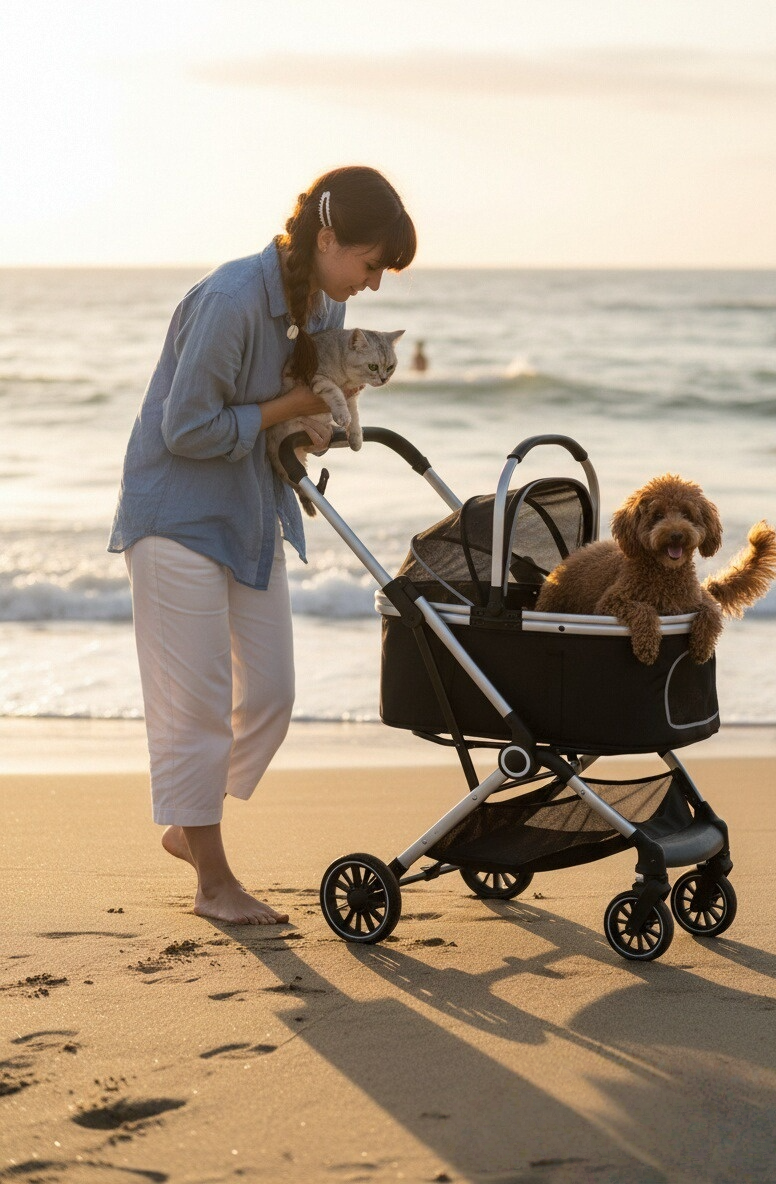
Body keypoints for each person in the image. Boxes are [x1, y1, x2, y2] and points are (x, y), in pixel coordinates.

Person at [109, 166, 416, 924]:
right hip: (176, 514)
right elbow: (185, 430)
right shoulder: (229, 300)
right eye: (371, 263)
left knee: (273, 695)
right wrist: (297, 404)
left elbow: (279, 422)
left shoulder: (324, 303)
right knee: (199, 706)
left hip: (249, 512)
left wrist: (312, 430)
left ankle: (190, 821)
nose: (373, 285)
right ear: (328, 237)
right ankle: (214, 882)